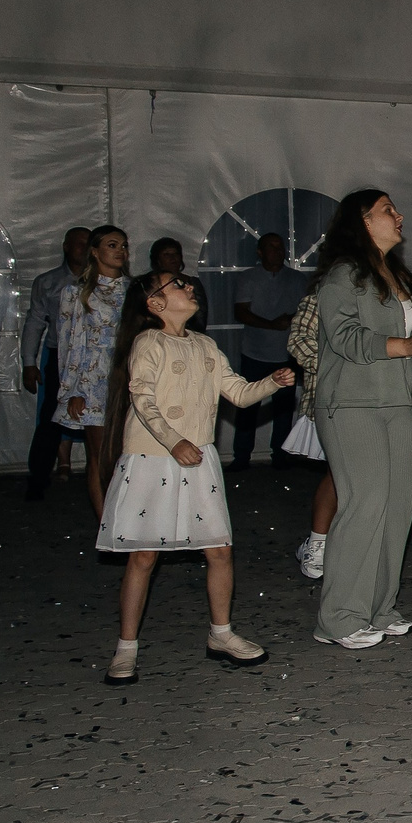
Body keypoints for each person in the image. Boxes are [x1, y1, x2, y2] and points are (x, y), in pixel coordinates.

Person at [98, 271, 293, 684]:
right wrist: (172, 441)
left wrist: (271, 383)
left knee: (219, 549)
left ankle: (220, 634)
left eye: (187, 283)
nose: (189, 287)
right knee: (144, 556)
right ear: (154, 304)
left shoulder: (206, 345)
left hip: (197, 457)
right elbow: (142, 397)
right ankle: (126, 647)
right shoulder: (148, 342)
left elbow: (238, 393)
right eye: (176, 285)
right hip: (154, 457)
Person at [309, 188, 412, 651]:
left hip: (393, 400)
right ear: (364, 221)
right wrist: (407, 344)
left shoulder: (396, 275)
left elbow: (411, 341)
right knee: (364, 504)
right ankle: (339, 617)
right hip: (350, 402)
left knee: (397, 508)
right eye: (390, 209)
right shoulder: (343, 275)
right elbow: (345, 337)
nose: (399, 214)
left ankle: (378, 609)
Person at [55, 225, 131, 519]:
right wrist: (72, 390)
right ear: (95, 252)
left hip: (131, 378)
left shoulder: (136, 291)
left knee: (131, 455)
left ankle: (131, 520)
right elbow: (68, 344)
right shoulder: (76, 293)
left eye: (123, 245)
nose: (120, 251)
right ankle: (107, 525)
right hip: (94, 382)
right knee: (101, 457)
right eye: (112, 245)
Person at [21, 226, 93, 498]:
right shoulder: (48, 282)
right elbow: (35, 321)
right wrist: (29, 362)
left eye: (89, 243)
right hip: (60, 358)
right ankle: (38, 477)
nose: (84, 248)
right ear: (66, 246)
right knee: (51, 417)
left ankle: (105, 476)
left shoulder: (107, 282)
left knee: (100, 419)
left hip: (97, 360)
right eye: (79, 243)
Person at [229, 232, 307, 468]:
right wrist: (271, 324)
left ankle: (280, 456)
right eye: (271, 247)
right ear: (260, 252)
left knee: (283, 408)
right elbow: (240, 312)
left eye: (280, 246)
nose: (278, 251)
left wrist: (290, 320)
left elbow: (308, 312)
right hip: (254, 353)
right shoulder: (248, 278)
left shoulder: (298, 279)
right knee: (248, 406)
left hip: (285, 355)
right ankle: (241, 457)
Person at [281, 288, 337, 579]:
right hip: (334, 397)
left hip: (380, 399)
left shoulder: (388, 289)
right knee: (339, 473)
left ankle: (352, 548)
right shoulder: (323, 295)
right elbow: (299, 341)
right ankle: (317, 543)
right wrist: (339, 366)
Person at [145, 236, 207, 317]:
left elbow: (200, 315)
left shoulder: (191, 282)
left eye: (176, 253)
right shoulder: (148, 283)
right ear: (157, 259)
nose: (173, 258)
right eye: (167, 254)